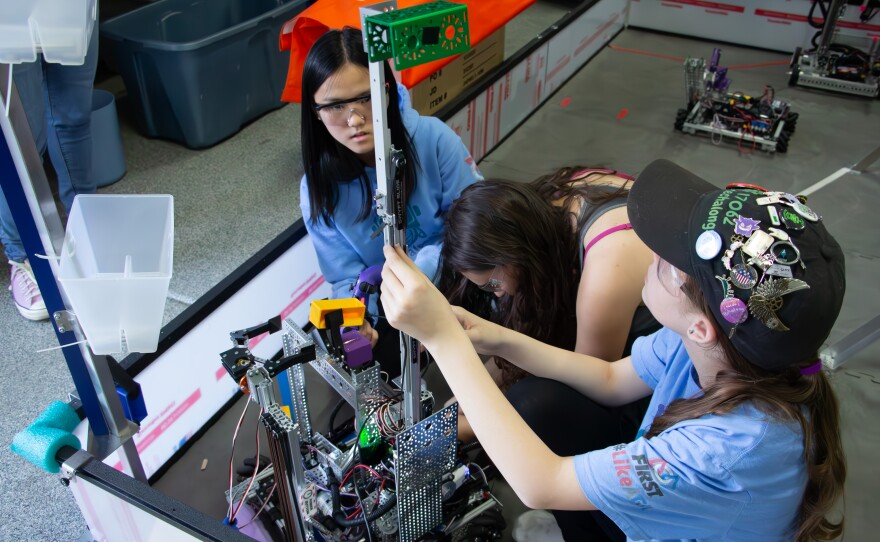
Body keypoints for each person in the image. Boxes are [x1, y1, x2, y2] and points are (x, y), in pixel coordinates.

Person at [380, 159, 846, 542]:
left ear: (703, 324)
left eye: (668, 261)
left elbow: (541, 482)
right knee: (541, 405)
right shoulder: (711, 346)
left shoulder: (723, 453)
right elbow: (607, 379)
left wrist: (443, 340)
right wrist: (489, 335)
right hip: (671, 511)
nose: (647, 249)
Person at [299, 27, 482, 375]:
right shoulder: (317, 189)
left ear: (386, 91)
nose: (354, 119)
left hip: (459, 280)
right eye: (336, 105)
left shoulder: (432, 138)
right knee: (364, 364)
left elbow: (478, 224)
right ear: (316, 111)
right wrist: (356, 319)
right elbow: (344, 276)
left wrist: (421, 269)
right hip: (391, 304)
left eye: (365, 97)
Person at [439, 170, 660, 442]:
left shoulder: (607, 270)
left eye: (493, 285)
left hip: (655, 392)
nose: (498, 295)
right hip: (620, 359)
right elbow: (528, 332)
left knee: (533, 403)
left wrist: (470, 429)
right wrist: (465, 396)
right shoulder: (546, 205)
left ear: (512, 253)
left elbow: (595, 381)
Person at [0, 24, 99, 321]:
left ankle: (84, 229)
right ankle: (22, 257)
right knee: (21, 135)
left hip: (67, 8)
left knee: (74, 113)